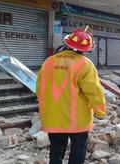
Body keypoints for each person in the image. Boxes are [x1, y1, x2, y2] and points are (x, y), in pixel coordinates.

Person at [36, 26, 106, 164]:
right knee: (78, 148)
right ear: (87, 49)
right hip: (77, 120)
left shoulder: (49, 61)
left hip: (53, 117)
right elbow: (94, 91)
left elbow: (39, 88)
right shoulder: (85, 64)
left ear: (67, 42)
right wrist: (100, 112)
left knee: (56, 149)